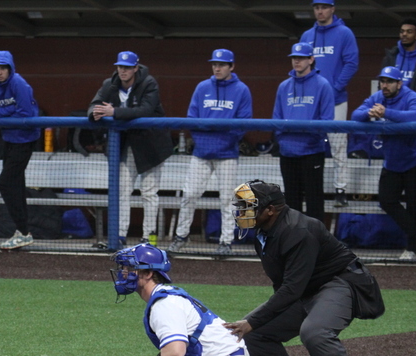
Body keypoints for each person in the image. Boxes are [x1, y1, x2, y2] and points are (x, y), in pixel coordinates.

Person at [224, 180, 384, 356]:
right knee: (254, 332)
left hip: (340, 282)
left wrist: (253, 320)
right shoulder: (264, 232)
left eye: (248, 206)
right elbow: (284, 285)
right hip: (307, 289)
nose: (242, 212)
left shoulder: (298, 231)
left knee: (315, 333)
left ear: (270, 210)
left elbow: (291, 289)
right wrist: (255, 322)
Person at [111, 243, 263, 356]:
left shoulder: (165, 304)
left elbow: (175, 353)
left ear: (148, 273)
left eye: (129, 268)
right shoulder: (166, 296)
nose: (123, 273)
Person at [168, 49, 253, 256]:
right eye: (214, 64)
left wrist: (220, 139)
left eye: (222, 64)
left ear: (231, 66)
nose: (217, 68)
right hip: (202, 152)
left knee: (227, 199)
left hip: (227, 154)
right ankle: (181, 236)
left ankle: (226, 241)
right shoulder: (202, 87)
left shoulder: (242, 90)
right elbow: (192, 119)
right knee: (190, 194)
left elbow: (243, 124)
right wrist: (205, 139)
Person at [88, 51, 173, 245]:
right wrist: (96, 114)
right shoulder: (110, 84)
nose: (123, 71)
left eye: (127, 67)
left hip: (151, 146)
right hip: (126, 146)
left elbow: (145, 110)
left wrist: (114, 112)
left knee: (148, 192)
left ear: (135, 68)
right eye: (120, 67)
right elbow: (93, 105)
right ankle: (119, 236)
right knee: (122, 190)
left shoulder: (149, 83)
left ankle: (149, 238)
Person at [351, 66, 416, 260]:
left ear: (399, 84)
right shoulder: (378, 97)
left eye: (390, 82)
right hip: (392, 161)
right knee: (386, 200)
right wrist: (370, 113)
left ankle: (411, 249)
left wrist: (386, 112)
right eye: (383, 81)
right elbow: (355, 115)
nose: (385, 85)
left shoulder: (410, 96)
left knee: (414, 205)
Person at [301, 0, 359, 208]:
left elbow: (352, 63)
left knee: (338, 145)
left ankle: (340, 189)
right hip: (310, 101)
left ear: (332, 9)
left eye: (324, 7)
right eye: (317, 7)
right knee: (307, 144)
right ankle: (306, 188)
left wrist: (334, 89)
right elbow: (301, 67)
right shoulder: (307, 36)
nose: (320, 11)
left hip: (336, 99)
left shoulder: (344, 33)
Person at [0, 50, 41, 250]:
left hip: (25, 139)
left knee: (6, 183)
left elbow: (25, 113)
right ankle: (23, 232)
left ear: (10, 68)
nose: (0, 72)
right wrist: (11, 109)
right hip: (7, 138)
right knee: (15, 184)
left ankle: (23, 231)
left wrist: (5, 113)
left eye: (3, 68)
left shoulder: (19, 83)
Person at [272, 42, 334, 224]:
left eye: (301, 58)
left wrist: (309, 138)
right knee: (291, 202)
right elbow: (276, 118)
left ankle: (316, 239)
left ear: (311, 59)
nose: (296, 61)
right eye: (294, 58)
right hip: (288, 153)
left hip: (312, 152)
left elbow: (326, 120)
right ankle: (294, 239)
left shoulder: (323, 85)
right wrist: (283, 141)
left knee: (315, 201)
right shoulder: (284, 86)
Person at [382, 17, 416, 104]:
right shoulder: (390, 57)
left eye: (409, 32)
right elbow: (382, 85)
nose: (404, 34)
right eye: (402, 31)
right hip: (392, 107)